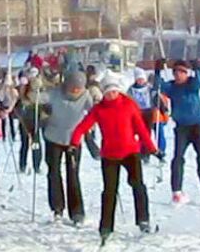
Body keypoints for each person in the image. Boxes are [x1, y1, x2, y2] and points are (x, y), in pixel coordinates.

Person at [70, 74, 162, 241]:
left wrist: (152, 149)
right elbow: (83, 126)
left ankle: (143, 219)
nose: (111, 95)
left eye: (114, 91)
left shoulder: (129, 105)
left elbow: (141, 129)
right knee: (109, 191)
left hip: (130, 152)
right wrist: (74, 142)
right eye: (108, 92)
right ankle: (106, 226)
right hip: (110, 155)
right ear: (103, 93)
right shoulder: (99, 109)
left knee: (138, 185)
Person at [155, 59, 200, 205]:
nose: (178, 75)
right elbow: (158, 86)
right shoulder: (171, 87)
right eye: (176, 72)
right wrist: (157, 70)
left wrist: (197, 68)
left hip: (197, 126)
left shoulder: (191, 85)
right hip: (181, 127)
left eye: (182, 72)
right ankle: (177, 191)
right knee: (178, 158)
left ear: (186, 73)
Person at [42, 72, 91, 224]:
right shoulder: (55, 93)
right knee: (54, 172)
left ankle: (77, 212)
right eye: (73, 88)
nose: (76, 91)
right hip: (53, 137)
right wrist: (31, 90)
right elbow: (34, 100)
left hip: (74, 140)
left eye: (79, 88)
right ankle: (57, 208)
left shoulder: (87, 96)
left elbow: (97, 110)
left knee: (73, 174)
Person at [16, 76, 48, 174]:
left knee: (36, 144)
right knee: (25, 144)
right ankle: (22, 165)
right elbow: (17, 108)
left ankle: (36, 165)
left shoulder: (42, 96)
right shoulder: (24, 95)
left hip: (36, 124)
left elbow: (47, 109)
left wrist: (44, 115)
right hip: (25, 123)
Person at [127, 68, 154, 163]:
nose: (140, 81)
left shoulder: (149, 88)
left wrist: (163, 107)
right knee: (136, 133)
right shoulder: (131, 89)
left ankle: (146, 153)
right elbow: (128, 100)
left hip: (148, 112)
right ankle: (136, 151)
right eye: (138, 79)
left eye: (142, 79)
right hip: (137, 112)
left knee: (147, 134)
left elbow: (156, 97)